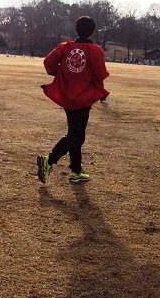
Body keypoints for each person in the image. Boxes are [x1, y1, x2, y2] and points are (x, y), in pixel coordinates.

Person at [37, 16, 109, 184]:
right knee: (76, 136)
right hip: (83, 98)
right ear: (92, 31)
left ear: (76, 29)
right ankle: (49, 160)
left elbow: (49, 62)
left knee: (76, 133)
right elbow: (100, 74)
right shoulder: (96, 50)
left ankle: (76, 171)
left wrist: (61, 75)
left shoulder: (66, 46)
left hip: (68, 95)